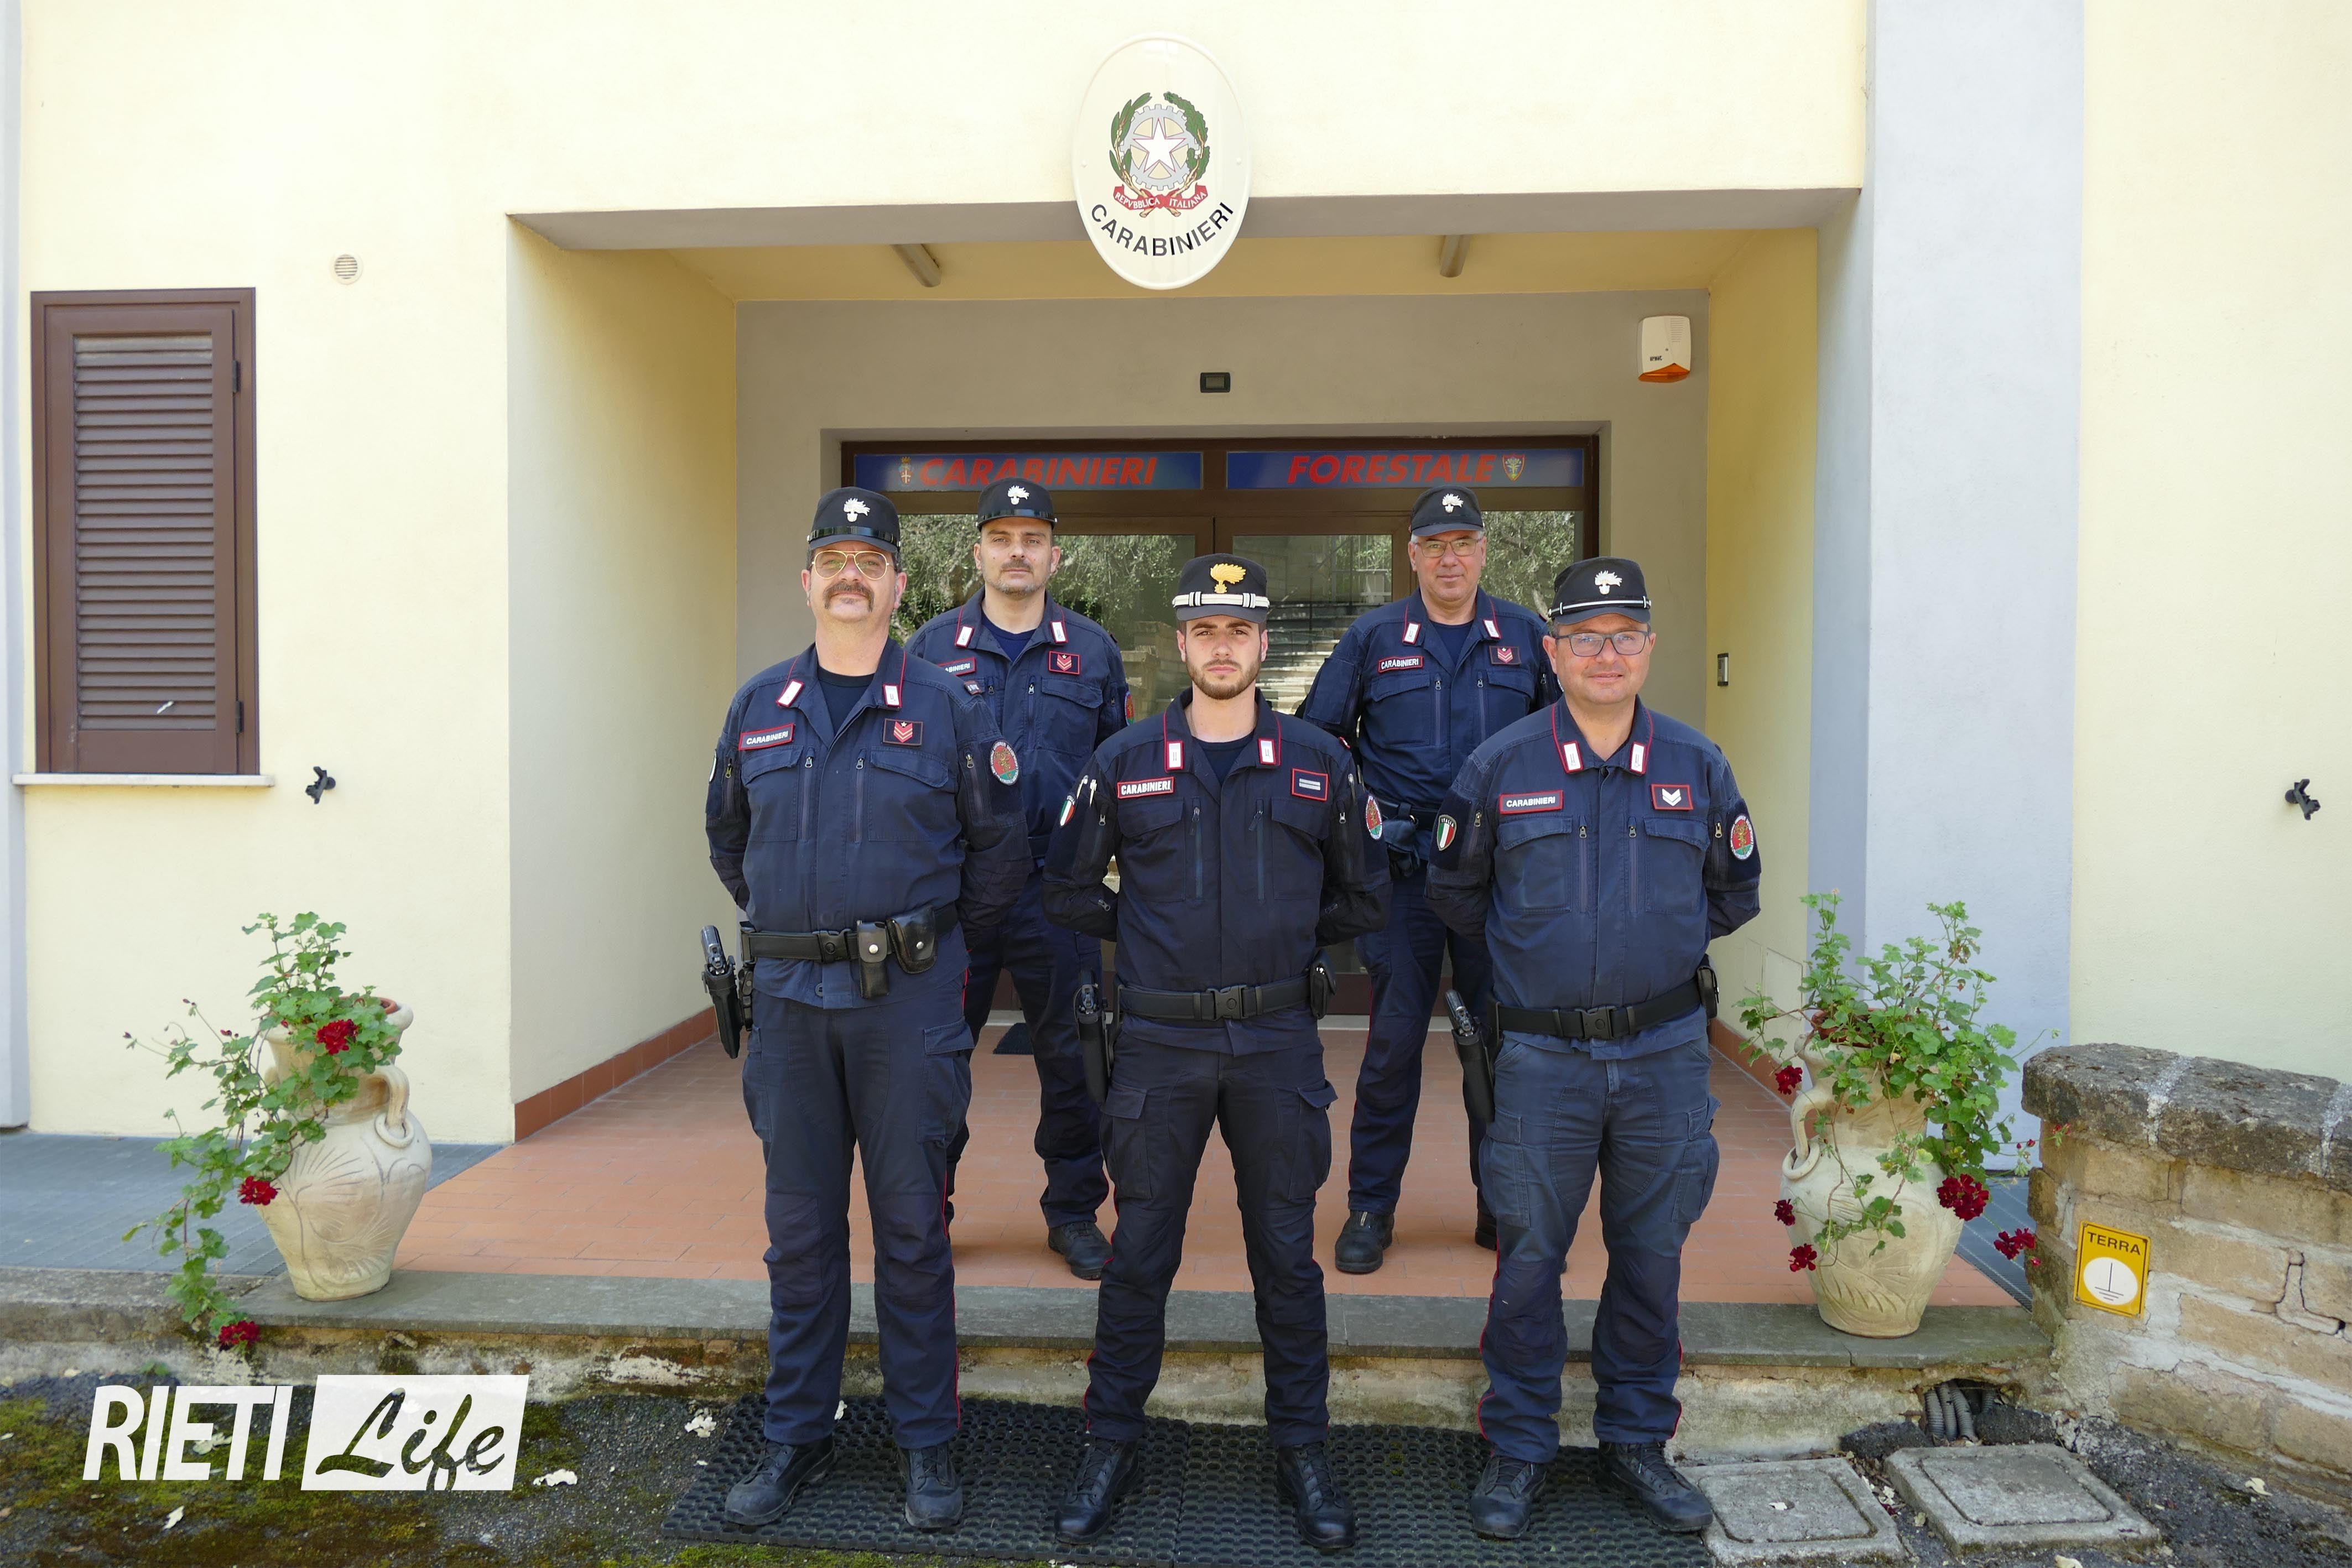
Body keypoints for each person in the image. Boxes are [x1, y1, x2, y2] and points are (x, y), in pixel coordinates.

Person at [1042, 555, 1390, 1552]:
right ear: (1183, 643)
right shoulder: (1125, 759)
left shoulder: (1320, 761)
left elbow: (1365, 895)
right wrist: (1150, 936)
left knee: (1287, 1258)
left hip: (1277, 1043)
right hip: (1160, 1042)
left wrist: (1287, 943)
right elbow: (1066, 887)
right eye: (1206, 631)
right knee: (1141, 1254)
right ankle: (1111, 1443)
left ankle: (1303, 1450)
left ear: (1263, 644)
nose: (1223, 647)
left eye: (1240, 631)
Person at [705, 486, 1031, 1534]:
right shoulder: (759, 706)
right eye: (835, 560)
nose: (852, 576)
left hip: (907, 1009)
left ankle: (926, 1441)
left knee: (911, 1230)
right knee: (799, 1236)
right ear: (808, 582)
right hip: (790, 1009)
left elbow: (998, 856)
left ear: (899, 585)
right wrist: (806, 930)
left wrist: (922, 948)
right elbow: (729, 841)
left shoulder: (949, 708)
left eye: (872, 561)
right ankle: (797, 1436)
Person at [1425, 556, 1760, 1540]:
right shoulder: (1501, 766)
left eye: (1624, 636)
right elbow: (1457, 894)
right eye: (1584, 637)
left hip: (1664, 1056)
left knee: (1652, 1255)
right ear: (1553, 652)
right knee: (1529, 1257)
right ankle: (1520, 1444)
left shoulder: (1698, 765)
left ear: (1648, 647)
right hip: (1542, 1063)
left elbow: (1733, 896)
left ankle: (1636, 1440)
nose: (1605, 654)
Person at [1298, 485, 1558, 1273]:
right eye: (1435, 545)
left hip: (1498, 879)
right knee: (1393, 1047)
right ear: (1411, 555)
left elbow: (1565, 737)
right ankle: (1371, 1208)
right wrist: (1357, 823)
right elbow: (1319, 737)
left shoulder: (1525, 636)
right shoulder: (1374, 637)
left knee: (1505, 1047)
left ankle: (1500, 1205)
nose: (1450, 559)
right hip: (1404, 875)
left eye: (1463, 543)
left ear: (1484, 551)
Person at [907, 477, 1131, 1279]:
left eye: (1032, 539)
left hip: (1055, 886)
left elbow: (1115, 771)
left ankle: (1073, 1212)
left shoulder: (1093, 650)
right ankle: (926, 1210)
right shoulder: (930, 648)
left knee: (1074, 1057)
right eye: (1001, 539)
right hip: (959, 890)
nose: (1017, 552)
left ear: (1054, 557)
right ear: (978, 553)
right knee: (936, 1055)